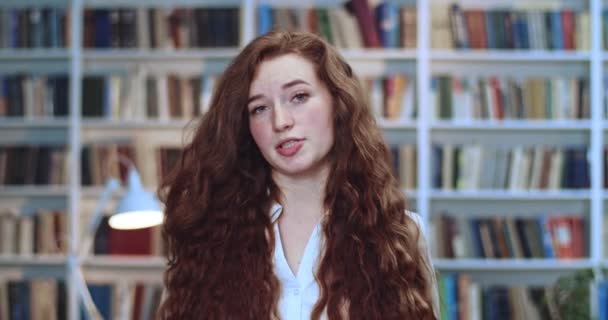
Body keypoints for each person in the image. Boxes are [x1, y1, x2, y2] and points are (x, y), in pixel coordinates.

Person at [158, 30, 439, 319]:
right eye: (259, 109)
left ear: (337, 103)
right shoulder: (208, 235)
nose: (281, 121)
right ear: (245, 127)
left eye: (299, 96)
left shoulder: (398, 234)